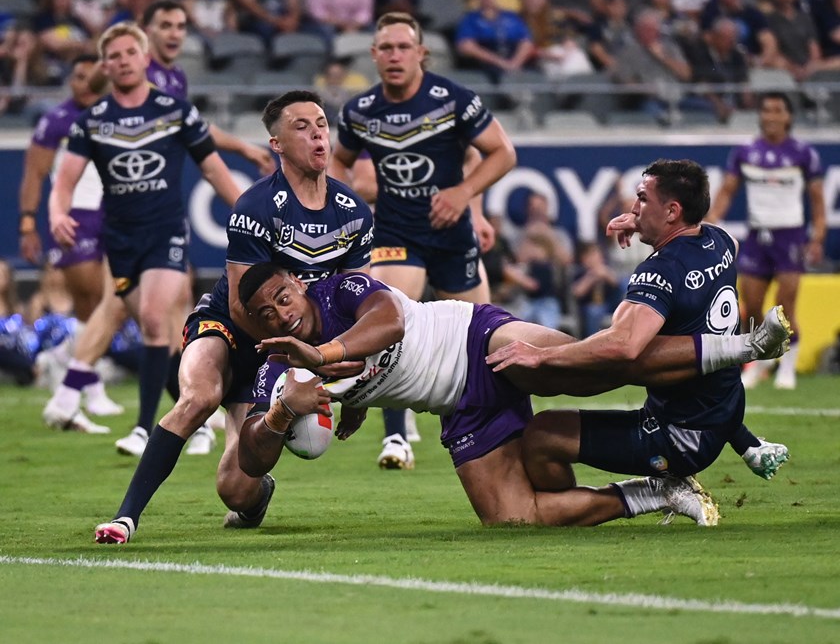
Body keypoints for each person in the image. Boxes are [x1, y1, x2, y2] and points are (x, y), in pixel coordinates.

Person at [227, 251, 790, 532]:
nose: (282, 312)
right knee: (512, 518)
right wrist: (279, 414)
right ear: (256, 323)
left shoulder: (339, 289)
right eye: (266, 312)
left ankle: (739, 349)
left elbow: (390, 322)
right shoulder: (274, 367)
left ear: (299, 285)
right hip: (458, 404)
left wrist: (324, 359)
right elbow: (250, 459)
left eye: (284, 296)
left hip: (476, 338)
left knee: (604, 365)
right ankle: (659, 493)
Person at [93, 90, 374, 545]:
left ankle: (256, 498)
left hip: (289, 350)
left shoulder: (354, 213)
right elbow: (246, 303)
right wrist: (299, 359)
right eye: (301, 126)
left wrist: (357, 388)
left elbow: (359, 303)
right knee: (198, 397)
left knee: (235, 489)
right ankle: (125, 518)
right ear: (276, 144)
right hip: (231, 325)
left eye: (321, 123)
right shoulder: (256, 206)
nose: (317, 133)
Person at [42, 0, 276, 452]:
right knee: (161, 334)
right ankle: (200, 411)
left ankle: (143, 426)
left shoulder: (174, 109)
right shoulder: (91, 122)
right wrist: (55, 213)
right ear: (105, 66)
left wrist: (250, 213)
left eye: (131, 53)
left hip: (165, 233)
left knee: (154, 319)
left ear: (144, 58)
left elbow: (212, 168)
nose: (123, 61)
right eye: (114, 55)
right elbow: (64, 178)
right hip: (121, 239)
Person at [487, 160, 791, 503]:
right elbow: (714, 240)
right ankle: (747, 431)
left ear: (672, 210)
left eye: (643, 199)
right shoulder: (720, 241)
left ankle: (654, 495)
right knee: (663, 344)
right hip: (728, 409)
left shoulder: (660, 270)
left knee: (542, 436)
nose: (633, 207)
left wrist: (541, 355)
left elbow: (624, 346)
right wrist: (645, 222)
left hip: (680, 437)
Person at [329, 11, 516, 469]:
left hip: (453, 236)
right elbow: (338, 165)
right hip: (397, 233)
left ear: (421, 53)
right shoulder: (360, 111)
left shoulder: (452, 99)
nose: (394, 55)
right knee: (389, 321)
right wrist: (348, 210)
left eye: (403, 47)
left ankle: (504, 433)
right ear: (373, 55)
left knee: (486, 339)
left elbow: (503, 153)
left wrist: (464, 194)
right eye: (386, 48)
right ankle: (396, 439)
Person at [18, 53, 125, 423]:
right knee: (89, 298)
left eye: (87, 76)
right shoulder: (57, 120)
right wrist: (28, 223)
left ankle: (62, 359)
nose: (80, 83)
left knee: (114, 303)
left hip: (114, 210)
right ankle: (91, 389)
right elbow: (34, 173)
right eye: (76, 76)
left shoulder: (118, 113)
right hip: (74, 214)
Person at [708, 92, 826, 390]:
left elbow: (818, 201)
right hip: (757, 235)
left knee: (784, 308)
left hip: (790, 236)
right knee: (753, 306)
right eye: (767, 110)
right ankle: (761, 362)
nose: (772, 116)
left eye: (778, 110)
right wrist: (711, 223)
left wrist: (817, 237)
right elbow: (727, 191)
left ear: (788, 116)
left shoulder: (803, 153)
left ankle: (787, 366)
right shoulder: (745, 151)